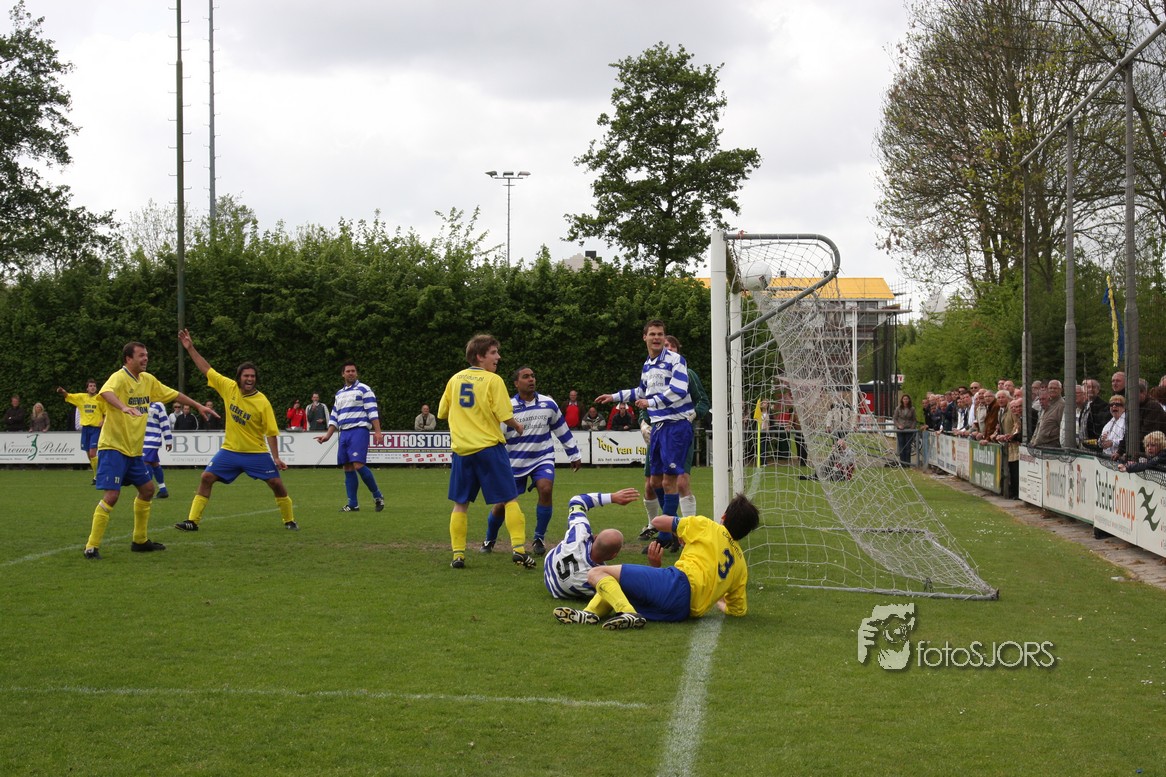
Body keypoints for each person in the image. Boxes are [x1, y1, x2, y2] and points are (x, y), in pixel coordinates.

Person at [82, 340, 216, 560]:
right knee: (112, 495)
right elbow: (106, 393)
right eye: (141, 355)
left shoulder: (147, 380)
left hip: (134, 451)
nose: (145, 358)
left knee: (147, 489)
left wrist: (198, 405)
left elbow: (173, 394)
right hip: (113, 447)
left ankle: (140, 540)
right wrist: (124, 407)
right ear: (128, 359)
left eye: (146, 355)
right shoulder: (119, 377)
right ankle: (91, 546)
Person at [553, 493, 760, 630]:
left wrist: (680, 531)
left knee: (596, 574)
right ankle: (590, 614)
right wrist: (718, 600)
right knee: (617, 585)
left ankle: (628, 613)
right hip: (682, 612)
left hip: (676, 583)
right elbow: (737, 611)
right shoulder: (740, 565)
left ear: (723, 516)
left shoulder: (708, 526)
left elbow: (658, 522)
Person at [174, 329, 299, 532]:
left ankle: (290, 520)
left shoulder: (262, 402)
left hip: (256, 452)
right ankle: (192, 521)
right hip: (230, 451)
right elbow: (206, 369)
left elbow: (271, 432)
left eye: (252, 376)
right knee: (206, 477)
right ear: (239, 377)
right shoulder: (228, 387)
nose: (249, 379)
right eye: (246, 376)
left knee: (276, 483)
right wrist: (190, 348)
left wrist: (276, 457)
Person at [438, 334, 534, 570]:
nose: (498, 357)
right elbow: (505, 415)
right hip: (489, 448)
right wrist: (517, 426)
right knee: (510, 498)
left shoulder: (455, 379)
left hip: (462, 451)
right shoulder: (493, 380)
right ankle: (519, 550)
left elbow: (442, 412)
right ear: (480, 356)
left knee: (460, 503)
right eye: (493, 353)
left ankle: (458, 555)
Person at [596, 319, 693, 551]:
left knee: (669, 480)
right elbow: (641, 391)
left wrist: (651, 402)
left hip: (675, 425)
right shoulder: (648, 365)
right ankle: (671, 528)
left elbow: (679, 390)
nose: (657, 337)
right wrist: (614, 396)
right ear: (645, 337)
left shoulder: (676, 360)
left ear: (664, 337)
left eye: (660, 334)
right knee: (655, 481)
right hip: (658, 426)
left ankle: (666, 533)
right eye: (653, 334)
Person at [480, 365, 582, 556]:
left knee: (546, 489)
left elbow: (561, 428)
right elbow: (496, 437)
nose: (531, 379)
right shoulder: (507, 407)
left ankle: (539, 538)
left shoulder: (548, 404)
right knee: (502, 505)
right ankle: (489, 538)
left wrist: (574, 454)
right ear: (516, 383)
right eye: (526, 377)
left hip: (542, 457)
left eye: (533, 376)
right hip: (513, 462)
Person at [314, 361, 385, 513]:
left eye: (353, 371)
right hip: (344, 432)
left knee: (358, 464)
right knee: (347, 466)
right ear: (343, 374)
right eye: (348, 371)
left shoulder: (364, 389)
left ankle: (377, 495)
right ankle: (353, 504)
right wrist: (327, 436)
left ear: (356, 373)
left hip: (359, 430)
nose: (351, 373)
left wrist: (378, 432)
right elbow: (335, 416)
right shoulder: (339, 394)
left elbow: (372, 411)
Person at [543, 488, 637, 599]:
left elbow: (577, 501)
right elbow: (631, 594)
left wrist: (612, 497)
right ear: (613, 556)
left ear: (595, 537)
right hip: (562, 592)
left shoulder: (580, 532)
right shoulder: (598, 576)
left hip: (550, 568)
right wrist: (654, 566)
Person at [57, 380, 105, 480]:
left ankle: (98, 476)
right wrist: (63, 392)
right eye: (90, 386)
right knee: (88, 454)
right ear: (87, 388)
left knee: (92, 453)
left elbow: (107, 412)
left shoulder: (100, 398)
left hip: (95, 429)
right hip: (85, 429)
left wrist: (103, 420)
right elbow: (69, 396)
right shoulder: (81, 397)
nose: (92, 387)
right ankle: (97, 473)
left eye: (94, 386)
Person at [142, 401, 174, 498]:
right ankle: (163, 490)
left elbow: (164, 422)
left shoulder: (158, 405)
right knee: (154, 463)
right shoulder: (139, 403)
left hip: (152, 439)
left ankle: (147, 490)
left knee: (144, 462)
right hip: (142, 440)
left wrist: (168, 440)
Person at [1030, 379, 1064, 447]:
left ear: (1060, 390)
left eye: (1055, 388)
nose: (1052, 390)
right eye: (1050, 388)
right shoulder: (1047, 404)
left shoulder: (1062, 406)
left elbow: (1062, 428)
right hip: (1040, 446)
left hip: (1052, 446)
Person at [1098, 395, 1126, 460]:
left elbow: (1127, 441)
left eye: (1117, 404)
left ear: (1124, 407)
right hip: (1107, 457)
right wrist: (1101, 440)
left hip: (1120, 458)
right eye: (1111, 405)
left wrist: (1112, 443)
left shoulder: (1126, 421)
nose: (1114, 406)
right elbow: (1100, 441)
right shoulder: (1109, 423)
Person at [893, 394, 917, 466]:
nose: (905, 400)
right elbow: (895, 418)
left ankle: (908, 463)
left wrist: (912, 427)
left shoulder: (912, 409)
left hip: (909, 429)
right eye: (904, 399)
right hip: (901, 430)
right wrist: (898, 425)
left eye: (907, 399)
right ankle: (902, 463)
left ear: (909, 400)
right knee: (901, 446)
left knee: (908, 446)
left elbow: (914, 419)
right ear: (902, 400)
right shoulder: (898, 408)